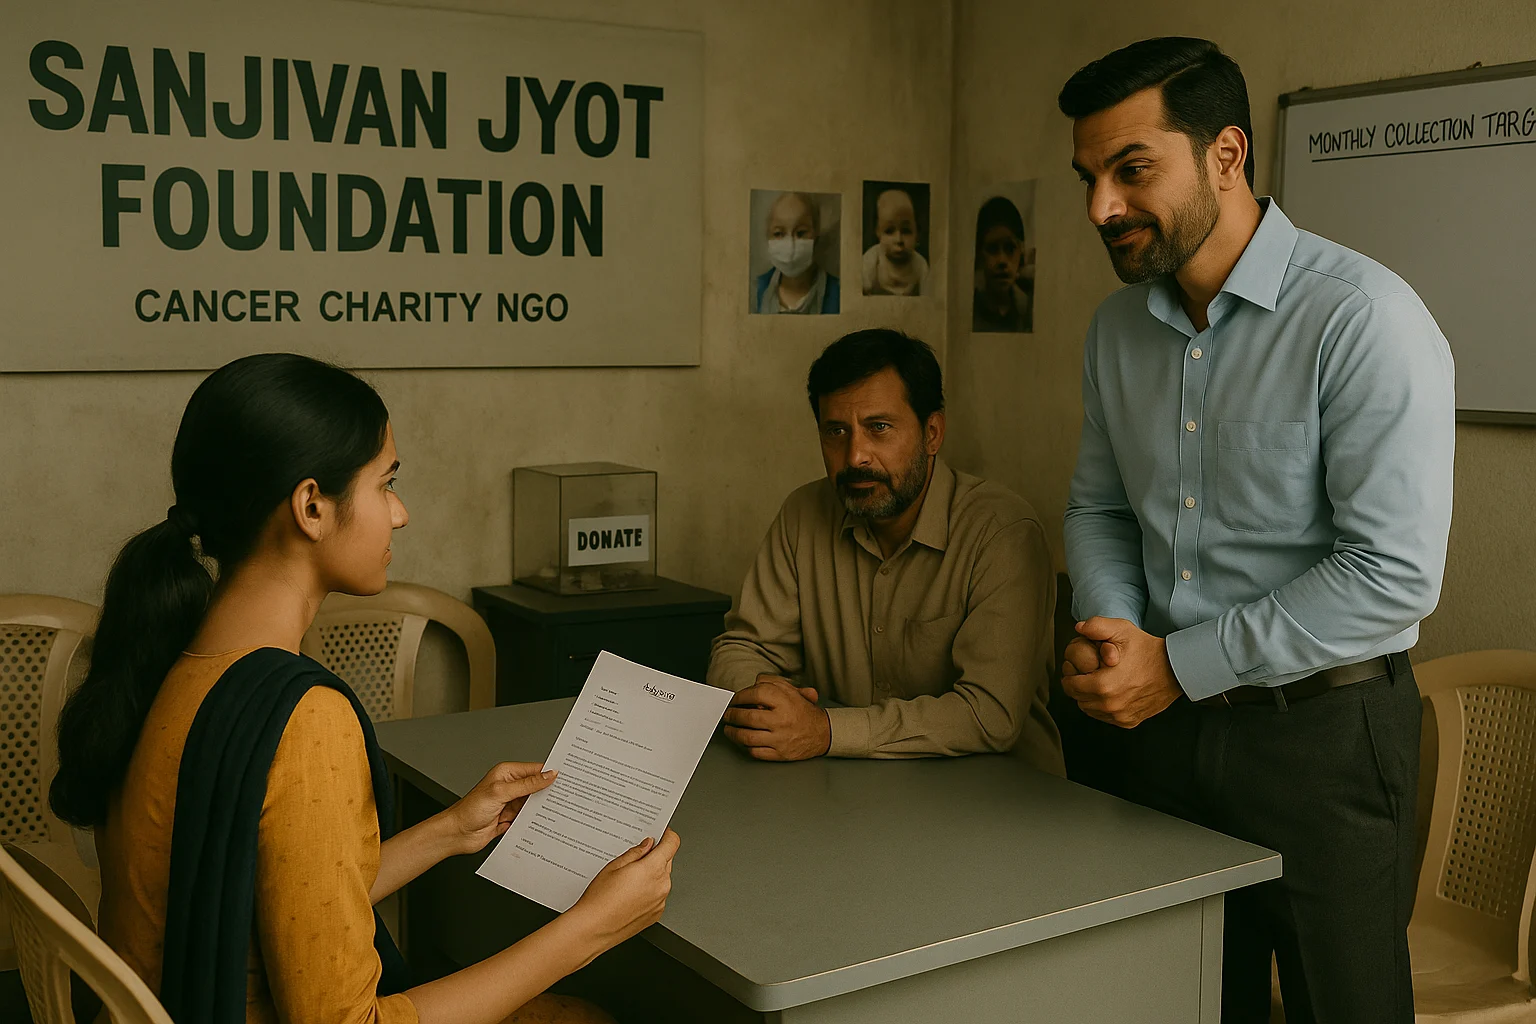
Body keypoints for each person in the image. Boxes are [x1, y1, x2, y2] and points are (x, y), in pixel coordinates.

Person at [50, 353, 680, 1024]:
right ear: (312, 506)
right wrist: (592, 928)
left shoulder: (180, 666)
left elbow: (266, 892)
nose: (400, 514)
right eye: (386, 484)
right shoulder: (302, 719)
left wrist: (445, 831)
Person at [1056, 37, 1454, 1024]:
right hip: (1156, 728)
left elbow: (1391, 575)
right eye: (1090, 177)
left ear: (1226, 154)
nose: (1100, 207)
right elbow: (1102, 508)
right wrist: (1113, 629)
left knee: (1341, 1008)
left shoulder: (1362, 319)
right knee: (1177, 1002)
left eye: (1131, 169)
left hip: (1322, 735)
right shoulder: (1115, 331)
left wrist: (1178, 663)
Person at [710, 329, 1063, 770]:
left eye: (879, 428)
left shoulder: (1003, 532)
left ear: (932, 433)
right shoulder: (803, 513)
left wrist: (825, 730)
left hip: (994, 804)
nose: (855, 455)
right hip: (846, 791)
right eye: (835, 431)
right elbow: (741, 649)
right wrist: (769, 709)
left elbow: (989, 713)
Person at [752, 191, 841, 315]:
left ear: (816, 236)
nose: (790, 244)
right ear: (768, 237)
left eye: (801, 233)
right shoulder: (755, 291)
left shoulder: (838, 292)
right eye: (778, 234)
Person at [971, 196, 1033, 332]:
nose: (1002, 261)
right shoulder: (970, 312)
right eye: (992, 248)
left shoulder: (1027, 311)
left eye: (1010, 248)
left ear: (1021, 253)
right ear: (979, 255)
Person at [861, 187, 928, 296]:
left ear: (917, 233)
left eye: (906, 231)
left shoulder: (920, 265)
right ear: (878, 232)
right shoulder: (872, 260)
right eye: (889, 231)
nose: (899, 239)